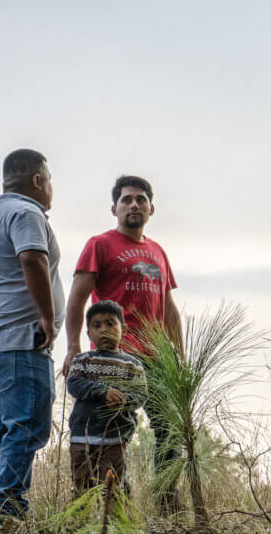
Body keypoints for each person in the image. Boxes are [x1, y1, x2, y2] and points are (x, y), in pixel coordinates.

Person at [62, 175, 183, 510]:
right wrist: (73, 347)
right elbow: (76, 300)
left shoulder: (158, 251)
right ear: (114, 208)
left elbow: (169, 308)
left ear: (151, 208)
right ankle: (112, 507)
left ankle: (166, 503)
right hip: (114, 358)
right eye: (127, 199)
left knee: (170, 430)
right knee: (112, 435)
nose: (134, 204)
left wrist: (180, 356)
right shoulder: (100, 244)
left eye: (141, 199)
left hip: (155, 358)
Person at [0, 148, 64, 524]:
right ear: (38, 180)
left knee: (0, 427)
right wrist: (47, 316)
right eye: (50, 180)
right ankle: (9, 511)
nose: (51, 188)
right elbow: (32, 259)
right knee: (28, 425)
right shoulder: (26, 212)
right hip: (19, 341)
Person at [67, 300, 147, 493]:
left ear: (124, 329)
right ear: (88, 333)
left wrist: (123, 401)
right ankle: (81, 522)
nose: (104, 329)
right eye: (97, 325)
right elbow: (74, 384)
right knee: (82, 488)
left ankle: (109, 522)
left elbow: (141, 394)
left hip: (115, 438)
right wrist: (103, 392)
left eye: (111, 323)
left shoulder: (133, 364)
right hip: (82, 438)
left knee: (110, 488)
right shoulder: (82, 360)